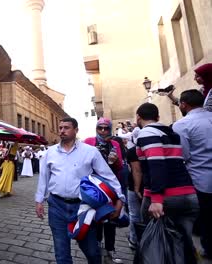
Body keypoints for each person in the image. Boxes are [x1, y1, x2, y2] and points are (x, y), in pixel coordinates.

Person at [35, 117, 124, 264]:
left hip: (83, 208)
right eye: (60, 127)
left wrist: (120, 198)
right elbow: (44, 178)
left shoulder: (90, 152)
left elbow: (108, 176)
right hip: (56, 206)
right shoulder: (50, 152)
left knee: (91, 252)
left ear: (76, 130)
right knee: (61, 253)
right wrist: (39, 201)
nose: (62, 131)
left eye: (66, 127)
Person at [136, 103, 199, 264]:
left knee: (154, 245)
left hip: (166, 197)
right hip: (188, 195)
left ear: (138, 117)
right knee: (183, 244)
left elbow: (157, 164)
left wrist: (156, 200)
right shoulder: (172, 133)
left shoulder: (146, 133)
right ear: (157, 117)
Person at [172, 90, 212, 258]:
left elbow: (184, 154)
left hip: (200, 178)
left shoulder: (182, 125)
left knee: (206, 218)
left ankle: (208, 249)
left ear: (183, 104)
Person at [84, 117, 124, 263]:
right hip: (94, 187)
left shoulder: (115, 144)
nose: (102, 131)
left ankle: (109, 253)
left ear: (110, 129)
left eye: (106, 128)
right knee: (95, 219)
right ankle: (96, 251)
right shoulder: (88, 141)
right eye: (100, 128)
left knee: (110, 220)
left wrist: (116, 161)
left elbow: (120, 168)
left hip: (111, 187)